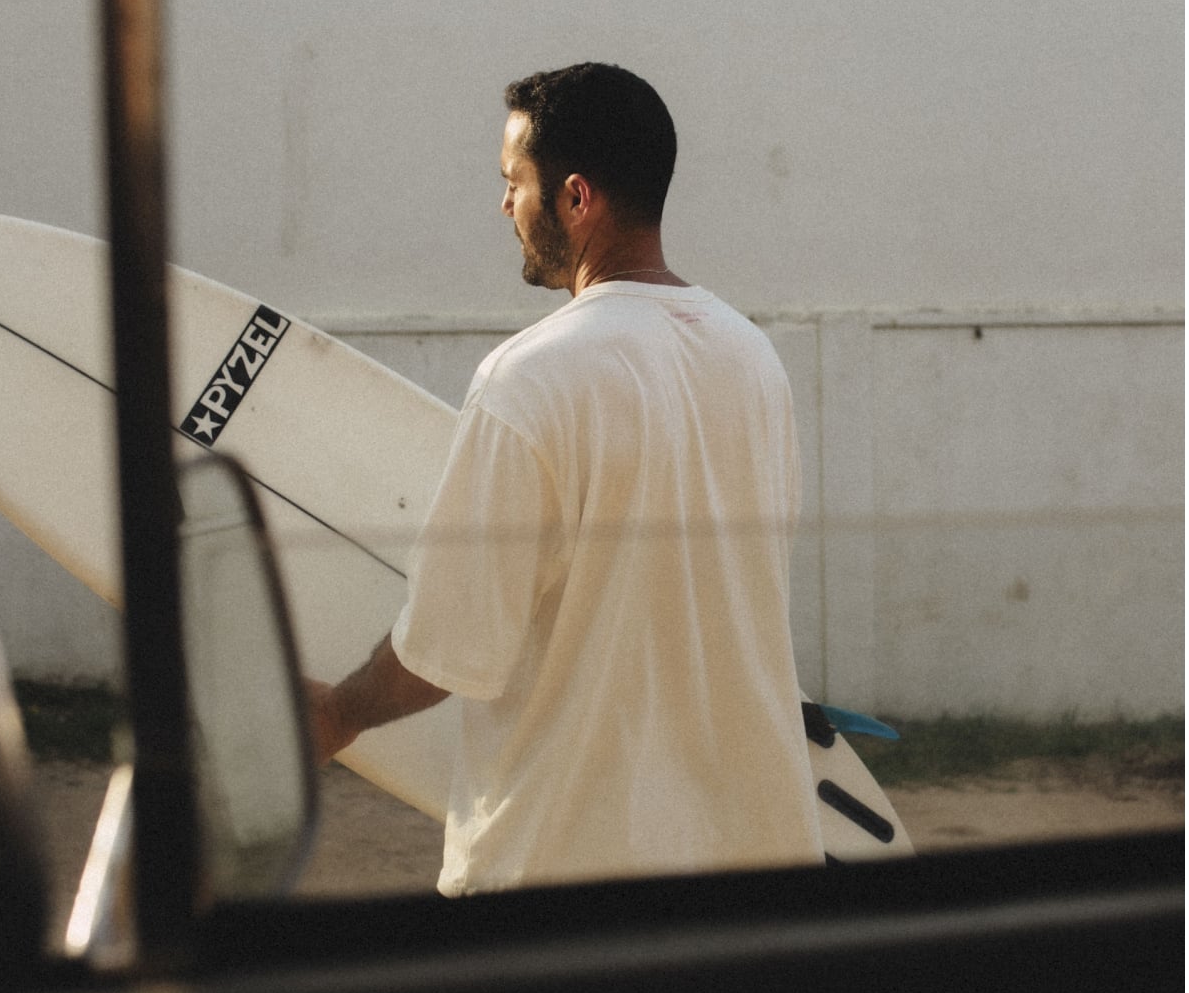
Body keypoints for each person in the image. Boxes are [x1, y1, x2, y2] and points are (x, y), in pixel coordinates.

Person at [307, 62, 825, 891]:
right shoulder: (753, 360)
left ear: (576, 198)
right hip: (754, 868)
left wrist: (334, 713)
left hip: (569, 880)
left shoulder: (531, 380)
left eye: (515, 183)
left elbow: (447, 647)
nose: (504, 207)